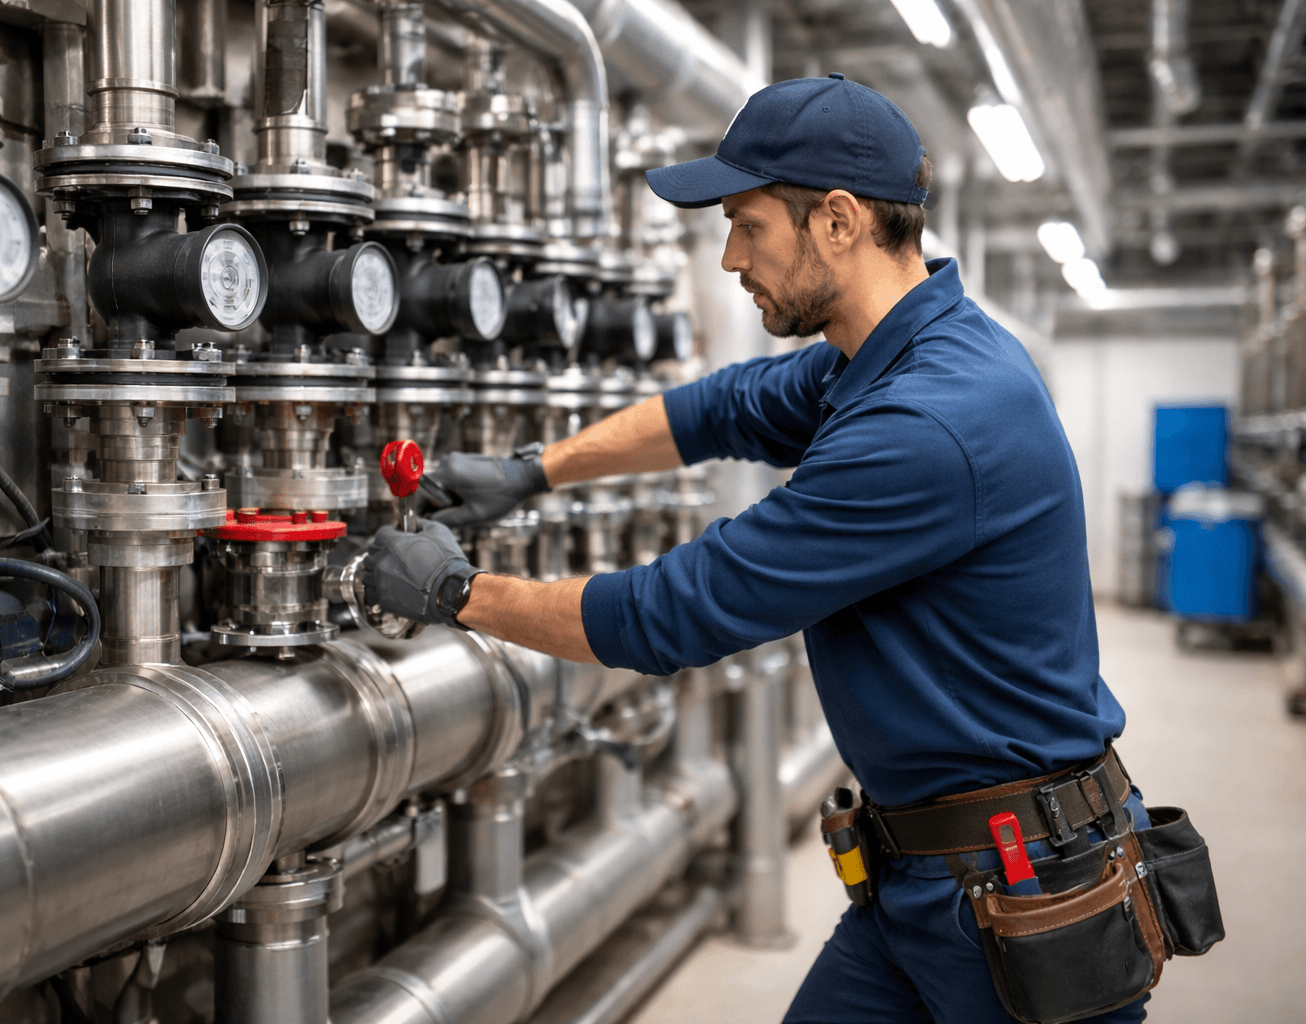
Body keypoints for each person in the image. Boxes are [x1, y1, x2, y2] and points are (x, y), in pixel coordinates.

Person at [356, 75, 1150, 1023]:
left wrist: (454, 591)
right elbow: (720, 407)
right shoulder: (886, 351)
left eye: (748, 224)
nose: (730, 256)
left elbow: (671, 614)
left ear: (840, 222)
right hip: (926, 877)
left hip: (1024, 892)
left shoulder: (928, 422)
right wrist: (535, 471)